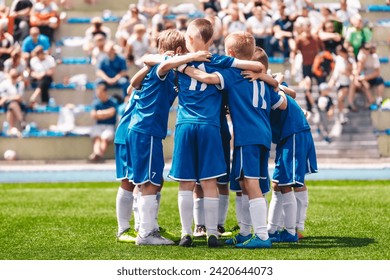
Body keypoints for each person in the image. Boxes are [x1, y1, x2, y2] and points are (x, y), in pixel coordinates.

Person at [158, 19, 265, 248]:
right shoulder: (221, 61)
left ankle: (187, 232)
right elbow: (255, 65)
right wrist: (260, 73)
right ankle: (213, 232)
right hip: (210, 126)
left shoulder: (177, 62)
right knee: (209, 182)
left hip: (186, 125)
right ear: (211, 39)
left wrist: (185, 63)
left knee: (185, 183)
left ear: (189, 40)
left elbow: (153, 62)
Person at [181, 36, 286, 249]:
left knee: (250, 184)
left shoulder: (233, 73)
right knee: (247, 183)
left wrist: (184, 68)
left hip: (247, 136)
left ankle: (262, 236)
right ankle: (246, 232)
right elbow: (282, 104)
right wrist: (271, 79)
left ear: (230, 53)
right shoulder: (260, 78)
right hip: (262, 135)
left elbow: (208, 79)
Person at [127, 29, 211, 246]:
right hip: (147, 130)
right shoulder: (161, 66)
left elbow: (133, 86)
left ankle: (148, 227)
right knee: (149, 182)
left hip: (145, 129)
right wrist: (193, 56)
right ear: (180, 50)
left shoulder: (157, 67)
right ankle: (145, 233)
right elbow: (162, 65)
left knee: (154, 180)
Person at [89, 83, 117, 162]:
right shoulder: (96, 102)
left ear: (105, 92)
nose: (98, 95)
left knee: (104, 138)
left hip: (109, 126)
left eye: (100, 93)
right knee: (97, 138)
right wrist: (106, 114)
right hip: (98, 125)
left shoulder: (112, 101)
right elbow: (93, 115)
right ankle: (98, 154)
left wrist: (100, 113)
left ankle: (96, 155)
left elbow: (112, 112)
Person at [355, 42, 384, 108]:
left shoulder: (374, 57)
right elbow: (358, 71)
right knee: (363, 85)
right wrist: (363, 61)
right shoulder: (360, 56)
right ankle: (371, 100)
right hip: (362, 77)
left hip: (370, 76)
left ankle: (379, 99)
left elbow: (377, 73)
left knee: (380, 80)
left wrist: (365, 78)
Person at [0, 68, 26, 135]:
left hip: (17, 104)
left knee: (12, 106)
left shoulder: (20, 84)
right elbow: (2, 98)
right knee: (12, 104)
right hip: (7, 104)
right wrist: (12, 97)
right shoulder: (4, 84)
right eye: (12, 76)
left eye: (15, 76)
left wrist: (8, 98)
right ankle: (22, 121)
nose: (14, 78)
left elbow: (19, 98)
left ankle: (11, 128)